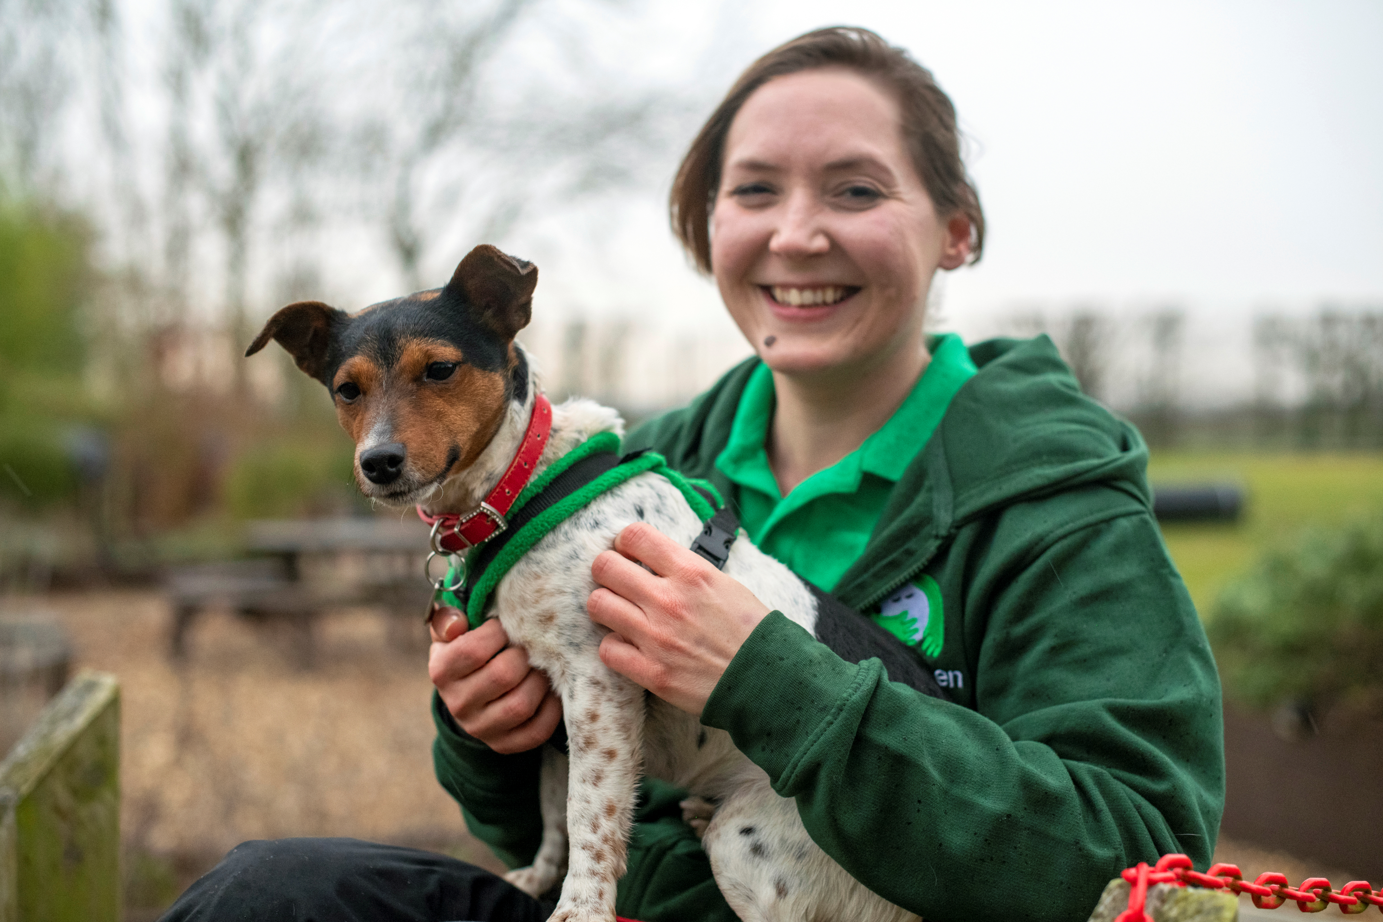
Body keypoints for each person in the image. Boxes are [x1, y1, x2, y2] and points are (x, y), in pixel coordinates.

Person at [162, 26, 1223, 922]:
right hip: (631, 898)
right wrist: (492, 732)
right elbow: (535, 798)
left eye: (855, 188)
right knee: (265, 892)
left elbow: (1134, 857)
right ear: (705, 229)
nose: (798, 232)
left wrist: (769, 677)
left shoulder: (1055, 503)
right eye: (754, 191)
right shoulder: (628, 467)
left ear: (955, 229)